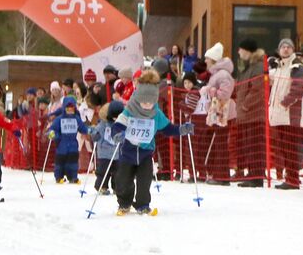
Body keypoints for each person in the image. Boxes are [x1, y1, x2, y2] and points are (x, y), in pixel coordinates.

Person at [108, 71, 192, 214]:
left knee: (144, 180)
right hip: (128, 152)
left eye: (151, 101)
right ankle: (124, 203)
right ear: (138, 98)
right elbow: (117, 126)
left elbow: (168, 129)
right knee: (123, 180)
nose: (147, 105)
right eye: (144, 101)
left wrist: (182, 130)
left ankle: (143, 204)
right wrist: (117, 135)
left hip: (145, 153)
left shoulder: (156, 114)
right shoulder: (130, 110)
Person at [267, 38, 303, 189]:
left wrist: (285, 103)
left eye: (288, 47)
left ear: (293, 50)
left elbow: (299, 89)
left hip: (291, 115)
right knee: (284, 148)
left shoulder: (297, 66)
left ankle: (293, 178)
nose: (285, 49)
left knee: (291, 148)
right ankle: (289, 177)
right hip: (279, 115)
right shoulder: (279, 67)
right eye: (283, 47)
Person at [233, 38, 267, 187]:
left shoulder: (257, 67)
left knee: (255, 145)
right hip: (247, 115)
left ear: (247, 50)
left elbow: (257, 89)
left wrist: (245, 106)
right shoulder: (249, 67)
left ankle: (257, 175)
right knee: (249, 145)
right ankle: (253, 173)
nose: (239, 52)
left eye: (241, 49)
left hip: (254, 114)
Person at [200, 43, 236, 185]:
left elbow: (225, 94)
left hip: (222, 113)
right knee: (218, 143)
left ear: (213, 60)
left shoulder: (223, 75)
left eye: (207, 59)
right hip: (218, 113)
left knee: (220, 144)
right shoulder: (218, 74)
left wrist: (210, 90)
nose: (206, 62)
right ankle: (218, 173)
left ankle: (221, 176)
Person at [89, 91, 125, 194]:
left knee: (118, 172)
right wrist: (93, 133)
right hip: (104, 153)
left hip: (117, 154)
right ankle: (101, 186)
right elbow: (96, 135)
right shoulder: (103, 125)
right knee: (103, 171)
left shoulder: (121, 125)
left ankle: (116, 187)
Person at [46, 96, 89, 184]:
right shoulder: (59, 119)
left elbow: (82, 128)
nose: (69, 110)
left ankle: (73, 176)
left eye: (71, 108)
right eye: (67, 108)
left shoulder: (76, 119)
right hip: (62, 145)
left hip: (73, 145)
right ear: (64, 108)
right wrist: (54, 135)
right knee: (60, 162)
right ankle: (59, 176)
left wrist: (88, 130)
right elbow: (52, 129)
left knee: (73, 162)